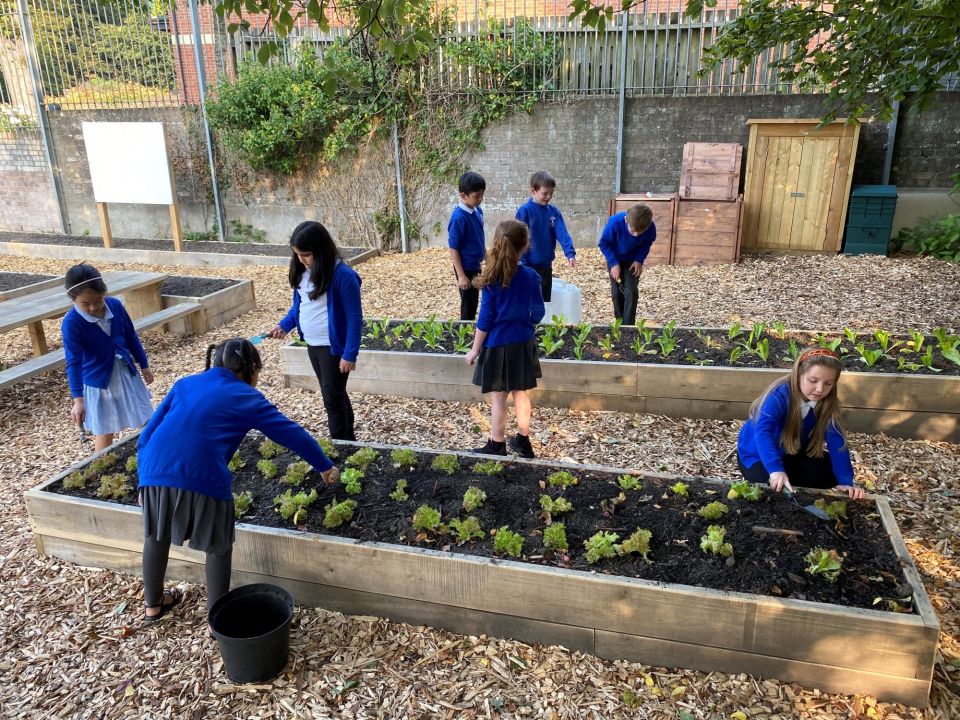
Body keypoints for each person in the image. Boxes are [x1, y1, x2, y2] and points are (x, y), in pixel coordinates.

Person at [136, 338, 339, 623]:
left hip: (153, 468)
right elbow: (288, 432)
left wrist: (142, 481)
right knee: (218, 545)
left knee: (156, 535)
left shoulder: (185, 384)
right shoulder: (246, 396)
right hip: (204, 474)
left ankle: (153, 607)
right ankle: (217, 619)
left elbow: (147, 435)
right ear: (251, 369)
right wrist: (324, 465)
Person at [268, 221, 363, 441]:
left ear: (321, 250)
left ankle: (341, 443)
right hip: (313, 345)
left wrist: (349, 353)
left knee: (332, 397)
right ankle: (349, 439)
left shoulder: (343, 276)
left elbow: (354, 318)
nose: (301, 260)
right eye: (297, 255)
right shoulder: (303, 273)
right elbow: (299, 307)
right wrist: (284, 325)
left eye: (306, 255)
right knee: (334, 393)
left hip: (333, 348)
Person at [737, 348, 866, 499]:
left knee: (832, 476)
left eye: (828, 383)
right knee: (771, 490)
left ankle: (791, 480)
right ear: (798, 374)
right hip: (758, 455)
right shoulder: (779, 395)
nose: (820, 389)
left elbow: (837, 442)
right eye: (813, 381)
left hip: (792, 452)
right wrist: (775, 470)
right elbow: (763, 432)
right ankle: (783, 478)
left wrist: (845, 482)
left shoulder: (827, 403)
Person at [465, 220, 545, 458]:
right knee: (521, 394)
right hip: (523, 344)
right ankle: (523, 441)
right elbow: (538, 313)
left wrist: (474, 349)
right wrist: (525, 324)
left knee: (499, 400)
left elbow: (485, 319)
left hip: (497, 346)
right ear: (524, 246)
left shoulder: (491, 279)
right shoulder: (531, 277)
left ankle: (497, 444)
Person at [61, 263, 154, 453]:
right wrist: (78, 400)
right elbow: (74, 362)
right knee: (105, 429)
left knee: (145, 418)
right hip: (99, 382)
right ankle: (99, 473)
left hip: (126, 373)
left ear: (104, 292)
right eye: (85, 303)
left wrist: (143, 364)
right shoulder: (72, 323)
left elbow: (130, 336)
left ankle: (156, 458)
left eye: (98, 300)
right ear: (74, 299)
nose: (94, 307)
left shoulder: (115, 306)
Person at [515, 170, 577, 303]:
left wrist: (569, 253)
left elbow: (562, 233)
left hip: (546, 265)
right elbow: (519, 239)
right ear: (533, 190)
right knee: (529, 302)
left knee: (545, 303)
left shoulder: (553, 212)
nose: (548, 197)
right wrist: (521, 263)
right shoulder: (525, 211)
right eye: (545, 193)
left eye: (551, 194)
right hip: (528, 266)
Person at [597, 203, 655, 325]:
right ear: (626, 220)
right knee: (617, 292)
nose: (636, 235)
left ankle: (628, 326)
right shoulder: (615, 223)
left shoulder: (650, 227)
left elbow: (646, 244)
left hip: (633, 260)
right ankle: (619, 323)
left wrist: (639, 260)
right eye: (633, 231)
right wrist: (613, 263)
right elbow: (604, 244)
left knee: (631, 291)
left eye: (640, 233)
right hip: (615, 258)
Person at [448, 171, 487, 321]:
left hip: (475, 264)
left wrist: (486, 254)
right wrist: (462, 276)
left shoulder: (477, 210)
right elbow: (454, 247)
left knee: (474, 300)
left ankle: (470, 329)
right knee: (468, 304)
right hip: (465, 267)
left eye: (481, 195)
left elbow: (477, 236)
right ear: (463, 196)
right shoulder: (458, 218)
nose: (480, 199)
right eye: (476, 196)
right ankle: (464, 332)